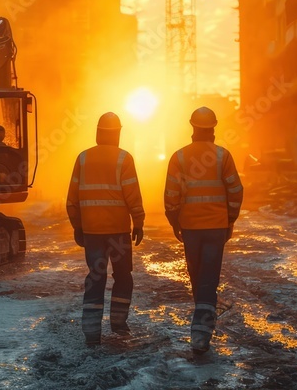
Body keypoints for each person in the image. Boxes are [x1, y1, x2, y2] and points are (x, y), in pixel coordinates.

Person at [164, 107, 243, 354]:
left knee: (197, 277)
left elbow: (171, 195)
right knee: (208, 279)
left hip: (191, 227)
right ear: (214, 128)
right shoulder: (223, 156)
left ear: (192, 128)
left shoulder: (179, 157)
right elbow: (236, 191)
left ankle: (201, 333)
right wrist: (229, 219)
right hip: (216, 226)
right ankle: (203, 329)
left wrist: (174, 220)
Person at [66, 112, 145, 345]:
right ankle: (119, 324)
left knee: (95, 277)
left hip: (92, 232)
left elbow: (72, 200)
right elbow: (133, 195)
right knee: (123, 276)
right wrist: (138, 221)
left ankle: (91, 333)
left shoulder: (82, 158)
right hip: (118, 232)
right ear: (118, 133)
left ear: (98, 132)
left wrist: (77, 226)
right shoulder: (124, 158)